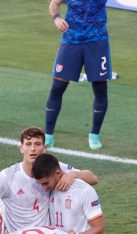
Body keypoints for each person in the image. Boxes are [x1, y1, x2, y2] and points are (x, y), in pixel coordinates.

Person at [45, 0, 111, 150]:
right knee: (57, 87)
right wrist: (56, 19)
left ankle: (94, 135)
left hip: (97, 43)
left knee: (100, 89)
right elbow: (54, 3)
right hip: (71, 41)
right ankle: (48, 136)